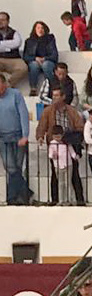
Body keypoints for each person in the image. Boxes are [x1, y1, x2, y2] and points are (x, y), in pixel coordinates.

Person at [0, 72, 32, 204]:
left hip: (18, 136)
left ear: (4, 84)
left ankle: (13, 198)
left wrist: (25, 135)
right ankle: (24, 194)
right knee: (11, 167)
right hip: (2, 138)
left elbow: (23, 114)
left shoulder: (15, 95)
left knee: (17, 167)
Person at [47, 126, 82, 205]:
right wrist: (53, 155)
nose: (57, 138)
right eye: (55, 137)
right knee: (60, 183)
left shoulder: (66, 142)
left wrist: (75, 156)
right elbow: (50, 154)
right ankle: (61, 200)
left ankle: (70, 200)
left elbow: (71, 152)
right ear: (53, 136)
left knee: (68, 183)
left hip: (68, 165)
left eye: (59, 136)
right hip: (58, 166)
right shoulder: (52, 143)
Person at [22, 21, 58, 96]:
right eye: (38, 28)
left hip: (48, 60)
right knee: (34, 65)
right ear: (34, 29)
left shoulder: (50, 39)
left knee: (46, 65)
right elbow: (25, 56)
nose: (40, 30)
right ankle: (33, 89)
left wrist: (44, 58)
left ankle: (51, 87)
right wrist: (35, 58)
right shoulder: (29, 41)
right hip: (34, 61)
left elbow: (54, 55)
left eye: (42, 28)